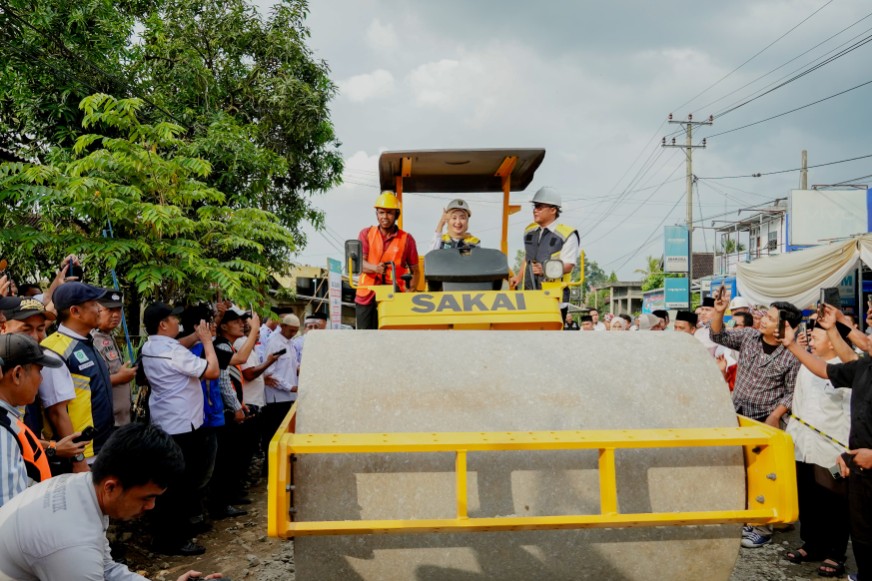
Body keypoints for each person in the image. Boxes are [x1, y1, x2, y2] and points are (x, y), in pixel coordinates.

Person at [0, 422, 223, 581]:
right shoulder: (73, 544)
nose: (151, 506)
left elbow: (106, 568)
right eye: (146, 497)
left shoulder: (81, 488)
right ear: (111, 487)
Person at [781, 305, 870, 581]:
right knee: (810, 498)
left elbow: (852, 413)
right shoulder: (855, 366)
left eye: (817, 336)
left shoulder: (853, 363)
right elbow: (823, 373)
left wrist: (847, 449)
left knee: (835, 501)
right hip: (807, 446)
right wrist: (793, 345)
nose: (812, 340)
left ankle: (835, 552)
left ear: (833, 342)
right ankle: (813, 544)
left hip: (835, 450)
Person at [709, 287, 801, 548]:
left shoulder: (792, 354)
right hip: (738, 413)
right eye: (765, 315)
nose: (763, 320)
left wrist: (775, 417)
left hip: (765, 419)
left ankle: (762, 527)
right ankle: (744, 517)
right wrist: (719, 312)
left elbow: (791, 392)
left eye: (770, 318)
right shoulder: (749, 337)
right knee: (739, 469)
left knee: (764, 474)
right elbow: (718, 334)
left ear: (784, 326)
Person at [141, 302, 219, 556]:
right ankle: (175, 540)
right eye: (174, 319)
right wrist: (206, 342)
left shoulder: (151, 346)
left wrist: (195, 336)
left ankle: (164, 537)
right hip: (183, 426)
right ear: (163, 324)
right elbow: (212, 371)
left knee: (168, 484)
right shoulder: (174, 352)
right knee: (181, 486)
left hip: (166, 422)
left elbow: (177, 346)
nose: (178, 322)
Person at [40, 282, 116, 472]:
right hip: (82, 457)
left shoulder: (87, 342)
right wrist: (78, 459)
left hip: (101, 450)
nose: (100, 309)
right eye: (94, 304)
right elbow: (57, 412)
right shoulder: (55, 351)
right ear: (75, 311)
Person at [0, 334, 62, 507]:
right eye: (39, 371)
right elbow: (7, 511)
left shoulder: (7, 418)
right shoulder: (2, 433)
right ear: (17, 374)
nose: (41, 379)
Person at [509, 187, 579, 322]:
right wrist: (519, 277)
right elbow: (528, 257)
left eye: (539, 207)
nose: (535, 210)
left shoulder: (567, 235)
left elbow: (569, 265)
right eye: (535, 206)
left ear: (553, 210)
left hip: (554, 298)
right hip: (529, 296)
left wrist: (545, 270)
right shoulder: (529, 231)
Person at [355, 191, 420, 330]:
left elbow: (415, 270)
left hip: (395, 295)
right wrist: (375, 268)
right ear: (377, 214)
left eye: (389, 213)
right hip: (367, 293)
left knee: (393, 335)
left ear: (396, 215)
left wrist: (410, 291)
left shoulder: (407, 239)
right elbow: (359, 263)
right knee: (364, 335)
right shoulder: (366, 234)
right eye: (381, 212)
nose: (385, 217)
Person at [92, 291, 136, 427]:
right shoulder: (91, 340)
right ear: (96, 310)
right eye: (110, 310)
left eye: (118, 309)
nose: (116, 315)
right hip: (108, 421)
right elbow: (91, 381)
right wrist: (120, 377)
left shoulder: (108, 336)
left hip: (121, 419)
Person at [262, 314, 300, 458]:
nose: (293, 333)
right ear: (282, 326)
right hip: (276, 398)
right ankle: (270, 465)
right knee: (274, 435)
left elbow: (293, 365)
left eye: (296, 331)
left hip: (288, 397)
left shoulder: (290, 343)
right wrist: (290, 387)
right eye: (291, 330)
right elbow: (269, 372)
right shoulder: (274, 343)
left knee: (286, 435)